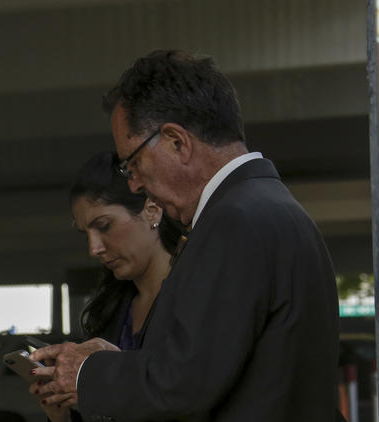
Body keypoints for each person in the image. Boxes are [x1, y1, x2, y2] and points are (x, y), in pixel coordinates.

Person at [31, 50, 340, 421]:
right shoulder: (271, 206)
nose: (135, 183)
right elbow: (216, 367)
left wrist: (84, 372)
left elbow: (181, 385)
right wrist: (124, 363)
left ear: (177, 142)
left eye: (132, 163)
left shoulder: (233, 222)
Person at [32, 151, 182, 422]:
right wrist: (62, 413)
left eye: (104, 226)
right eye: (86, 234)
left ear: (152, 210)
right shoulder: (113, 310)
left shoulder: (194, 295)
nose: (94, 248)